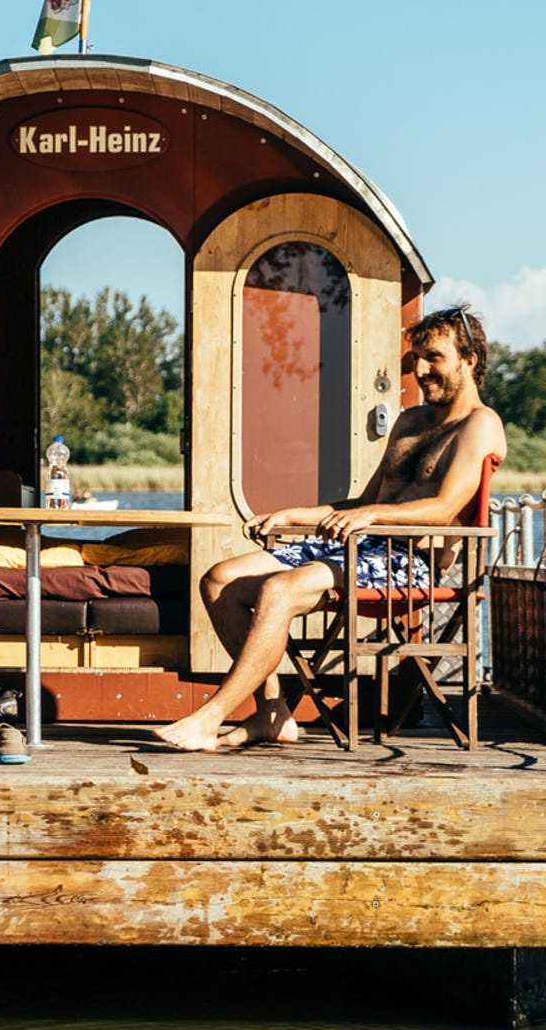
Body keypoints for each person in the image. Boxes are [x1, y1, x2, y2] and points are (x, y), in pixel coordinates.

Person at [154, 305, 506, 752]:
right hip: (360, 545)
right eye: (415, 357)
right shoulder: (411, 422)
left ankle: (212, 715)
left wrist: (371, 517)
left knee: (278, 590)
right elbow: (363, 503)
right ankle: (272, 715)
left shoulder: (481, 424)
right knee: (220, 579)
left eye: (433, 357)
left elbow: (443, 508)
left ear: (469, 360)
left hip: (410, 563)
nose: (419, 369)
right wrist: (294, 514)